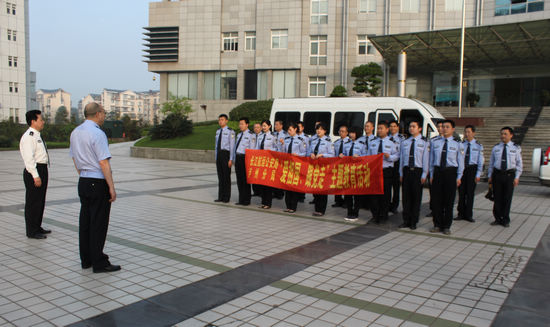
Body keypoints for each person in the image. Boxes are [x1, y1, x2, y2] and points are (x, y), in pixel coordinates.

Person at [69, 102, 120, 273]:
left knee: (85, 221)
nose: (105, 116)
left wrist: (83, 174)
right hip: (97, 182)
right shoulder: (98, 134)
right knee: (98, 222)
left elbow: (75, 159)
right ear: (98, 114)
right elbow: (103, 162)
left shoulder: (75, 132)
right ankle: (99, 262)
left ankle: (86, 260)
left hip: (83, 181)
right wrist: (111, 187)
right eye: (104, 113)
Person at [19, 110, 51, 239]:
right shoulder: (28, 137)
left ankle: (37, 226)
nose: (43, 122)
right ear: (33, 121)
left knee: (40, 200)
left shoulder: (37, 135)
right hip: (34, 170)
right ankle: (31, 231)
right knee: (33, 202)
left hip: (42, 169)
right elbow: (29, 159)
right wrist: (35, 175)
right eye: (41, 119)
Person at [429, 119, 464, 235]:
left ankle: (446, 226)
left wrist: (459, 177)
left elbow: (460, 162)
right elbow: (431, 160)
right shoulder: (435, 142)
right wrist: (431, 174)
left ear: (453, 129)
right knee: (436, 200)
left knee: (449, 201)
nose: (444, 129)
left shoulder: (458, 144)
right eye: (443, 127)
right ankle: (437, 224)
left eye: (447, 127)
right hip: (438, 172)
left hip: (450, 173)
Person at [488, 127, 522, 228]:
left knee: (507, 197)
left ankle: (505, 219)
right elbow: (491, 163)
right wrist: (490, 175)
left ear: (511, 135)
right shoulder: (496, 148)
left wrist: (517, 177)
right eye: (502, 134)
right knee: (497, 197)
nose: (503, 136)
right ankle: (497, 218)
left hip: (509, 175)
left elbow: (519, 164)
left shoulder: (516, 148)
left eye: (505, 134)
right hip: (497, 175)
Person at [399, 120, 429, 230]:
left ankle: (413, 221)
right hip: (407, 171)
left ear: (419, 128)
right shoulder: (405, 142)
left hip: (418, 171)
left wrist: (424, 174)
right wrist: (401, 173)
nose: (411, 128)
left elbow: (426, 159)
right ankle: (405, 220)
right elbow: (402, 159)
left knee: (416, 198)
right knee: (406, 198)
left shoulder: (424, 142)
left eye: (413, 126)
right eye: (410, 126)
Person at [367, 121, 399, 224]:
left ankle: (383, 215)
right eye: (378, 128)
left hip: (386, 171)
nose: (379, 130)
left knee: (385, 195)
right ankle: (375, 215)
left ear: (387, 130)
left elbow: (396, 156)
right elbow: (368, 157)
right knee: (374, 195)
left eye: (381, 128)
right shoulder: (373, 142)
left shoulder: (391, 143)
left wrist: (389, 157)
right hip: (374, 171)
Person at [455, 125, 484, 223]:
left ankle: (468, 215)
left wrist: (478, 174)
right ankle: (460, 213)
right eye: (465, 132)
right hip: (462, 170)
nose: (467, 134)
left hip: (472, 170)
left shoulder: (478, 146)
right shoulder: (461, 144)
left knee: (470, 193)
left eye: (469, 132)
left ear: (473, 133)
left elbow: (480, 161)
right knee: (461, 193)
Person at [341, 126, 367, 221]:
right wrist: (342, 155)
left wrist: (359, 157)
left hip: (357, 171)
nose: (351, 134)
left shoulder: (362, 144)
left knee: (356, 193)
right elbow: (343, 154)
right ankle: (349, 212)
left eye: (353, 133)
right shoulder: (346, 144)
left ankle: (355, 212)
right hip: (348, 171)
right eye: (350, 132)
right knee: (348, 193)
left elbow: (366, 156)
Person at [282, 122, 308, 213]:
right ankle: (288, 205)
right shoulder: (287, 139)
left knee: (294, 186)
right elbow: (283, 151)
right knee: (287, 186)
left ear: (295, 129)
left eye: (290, 130)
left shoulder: (301, 140)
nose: (289, 132)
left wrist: (297, 155)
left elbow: (304, 153)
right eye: (288, 130)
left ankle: (293, 206)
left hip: (296, 165)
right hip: (287, 165)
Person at [309, 123, 334, 216]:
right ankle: (316, 208)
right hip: (314, 168)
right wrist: (311, 154)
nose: (318, 131)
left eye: (321, 129)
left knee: (323, 189)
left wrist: (323, 155)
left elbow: (332, 155)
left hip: (323, 169)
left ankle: (321, 210)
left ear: (325, 131)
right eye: (317, 129)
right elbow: (309, 151)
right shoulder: (314, 140)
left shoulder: (328, 142)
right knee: (316, 188)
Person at [233, 117, 256, 206]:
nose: (240, 126)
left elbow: (252, 149)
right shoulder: (239, 135)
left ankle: (247, 200)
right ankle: (241, 199)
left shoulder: (251, 135)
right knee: (239, 180)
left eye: (242, 124)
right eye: (240, 124)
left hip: (245, 158)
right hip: (238, 158)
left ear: (247, 124)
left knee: (245, 180)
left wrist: (250, 162)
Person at [256, 120, 278, 209]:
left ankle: (268, 203)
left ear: (269, 126)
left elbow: (277, 149)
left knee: (268, 182)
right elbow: (257, 148)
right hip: (261, 161)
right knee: (262, 182)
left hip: (269, 162)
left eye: (265, 126)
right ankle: (263, 201)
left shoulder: (273, 136)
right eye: (263, 126)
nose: (264, 127)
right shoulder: (260, 136)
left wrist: (269, 152)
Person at [214, 114, 235, 203]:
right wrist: (216, 157)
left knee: (226, 177)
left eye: (222, 120)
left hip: (226, 154)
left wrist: (231, 159)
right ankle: (220, 196)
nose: (220, 121)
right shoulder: (218, 131)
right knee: (220, 177)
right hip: (219, 155)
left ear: (226, 121)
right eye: (219, 120)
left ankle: (226, 197)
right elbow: (216, 146)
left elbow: (232, 146)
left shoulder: (231, 132)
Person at [426, 120, 444, 218]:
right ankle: (433, 210)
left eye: (442, 126)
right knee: (433, 192)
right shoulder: (433, 141)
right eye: (439, 127)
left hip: (444, 170)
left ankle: (442, 210)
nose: (440, 129)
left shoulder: (452, 141)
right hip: (434, 169)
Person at [358, 121, 376, 210]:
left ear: (372, 128)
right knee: (362, 184)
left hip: (372, 165)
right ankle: (362, 203)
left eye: (368, 126)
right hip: (362, 165)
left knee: (370, 184)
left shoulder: (376, 139)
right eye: (365, 126)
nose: (366, 128)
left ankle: (369, 204)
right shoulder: (360, 139)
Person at [389, 120, 405, 213]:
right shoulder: (386, 137)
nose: (392, 128)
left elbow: (401, 153)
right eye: (391, 126)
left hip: (396, 165)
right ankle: (387, 204)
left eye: (394, 126)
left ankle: (394, 206)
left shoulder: (401, 139)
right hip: (388, 164)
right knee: (387, 187)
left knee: (396, 187)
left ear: (398, 128)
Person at [332, 125, 350, 208]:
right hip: (337, 166)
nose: (341, 133)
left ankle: (346, 201)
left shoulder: (350, 142)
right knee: (337, 183)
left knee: (346, 184)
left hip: (346, 166)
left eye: (343, 131)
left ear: (347, 133)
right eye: (340, 131)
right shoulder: (336, 142)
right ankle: (338, 201)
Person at [272, 120, 287, 200]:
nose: (275, 126)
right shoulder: (273, 134)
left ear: (281, 126)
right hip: (274, 156)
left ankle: (280, 193)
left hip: (281, 157)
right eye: (275, 125)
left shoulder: (285, 134)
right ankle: (275, 192)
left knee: (280, 175)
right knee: (274, 174)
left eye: (277, 125)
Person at [296, 121, 309, 203]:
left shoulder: (306, 137)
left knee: (302, 178)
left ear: (303, 128)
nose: (298, 128)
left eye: (299, 127)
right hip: (295, 161)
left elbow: (307, 150)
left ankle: (301, 196)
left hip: (302, 160)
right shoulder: (293, 136)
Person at [251, 123, 262, 197]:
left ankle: (261, 191)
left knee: (260, 175)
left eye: (258, 127)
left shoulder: (263, 136)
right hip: (253, 158)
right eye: (255, 127)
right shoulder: (251, 136)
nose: (256, 129)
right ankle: (255, 191)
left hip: (260, 159)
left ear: (261, 128)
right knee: (253, 175)